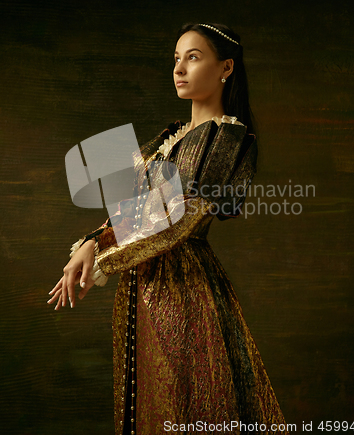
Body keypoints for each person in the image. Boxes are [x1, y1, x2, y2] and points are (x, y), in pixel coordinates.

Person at [48, 23, 288, 435]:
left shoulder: (228, 136)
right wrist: (90, 242)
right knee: (147, 402)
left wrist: (104, 261)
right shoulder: (165, 136)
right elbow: (127, 211)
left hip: (184, 288)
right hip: (141, 282)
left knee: (185, 402)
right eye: (176, 59)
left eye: (193, 57)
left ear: (226, 67)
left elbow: (177, 220)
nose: (179, 68)